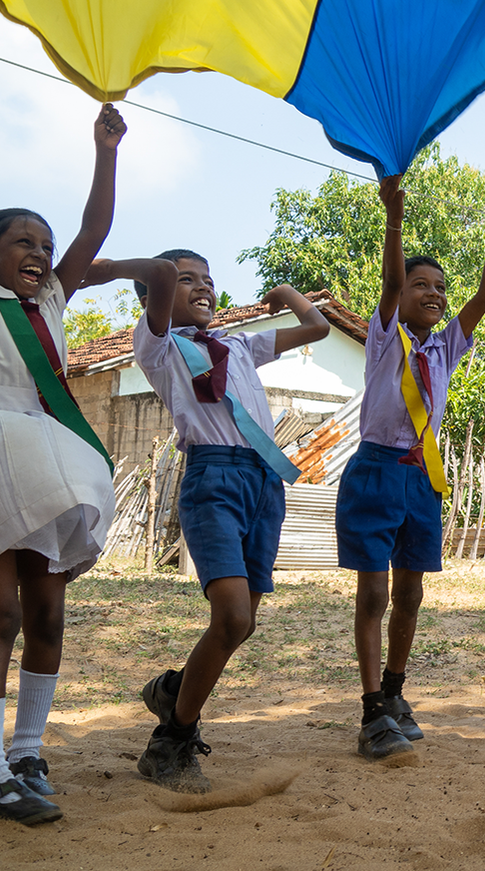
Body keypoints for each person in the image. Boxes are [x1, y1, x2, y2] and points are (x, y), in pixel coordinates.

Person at [0, 63, 123, 824]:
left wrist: (105, 149)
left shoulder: (50, 300)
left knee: (47, 614)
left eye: (42, 242)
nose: (37, 251)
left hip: (46, 458)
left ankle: (29, 751)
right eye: (20, 240)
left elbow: (94, 231)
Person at [90, 250, 328, 791]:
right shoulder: (157, 345)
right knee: (230, 618)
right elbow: (157, 274)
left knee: (242, 624)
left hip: (264, 484)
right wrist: (115, 271)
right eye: (186, 281)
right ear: (153, 297)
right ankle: (170, 742)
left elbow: (314, 325)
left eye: (208, 281)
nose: (201, 288)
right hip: (213, 480)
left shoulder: (238, 344)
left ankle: (175, 690)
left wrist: (285, 293)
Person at [340, 177, 485, 761]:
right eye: (421, 285)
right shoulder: (387, 338)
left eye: (440, 287)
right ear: (401, 295)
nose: (433, 294)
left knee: (410, 593)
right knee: (375, 594)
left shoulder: (445, 347)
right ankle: (369, 712)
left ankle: (394, 692)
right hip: (377, 471)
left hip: (421, 478)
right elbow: (389, 281)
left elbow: (483, 297)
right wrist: (394, 216)